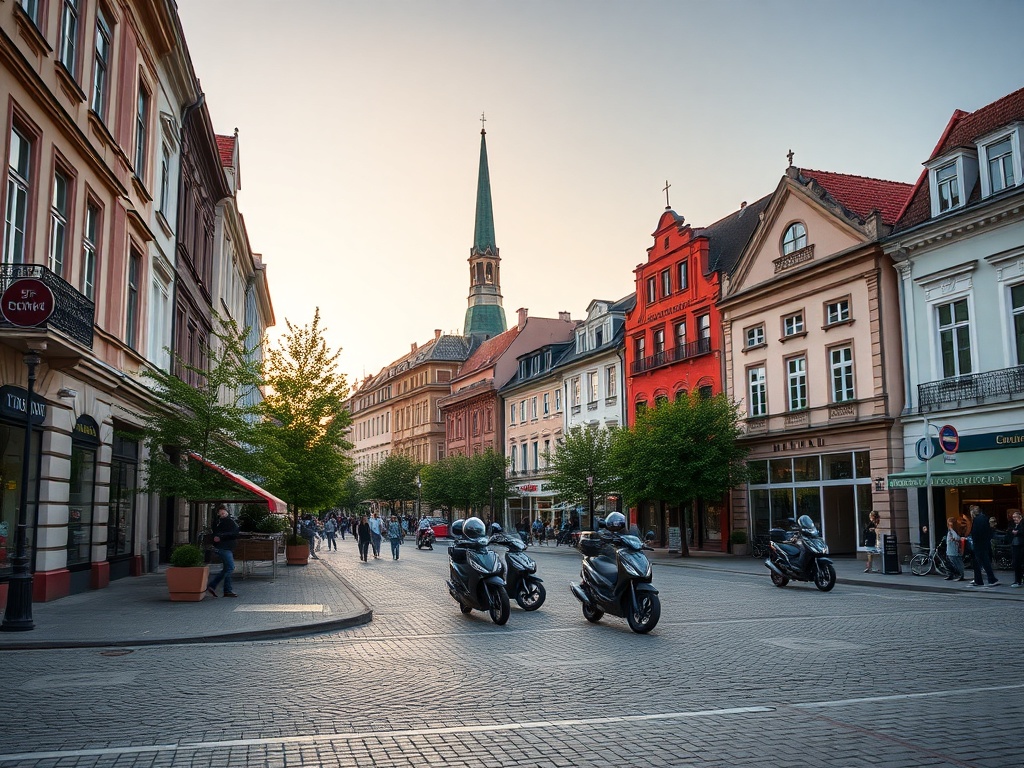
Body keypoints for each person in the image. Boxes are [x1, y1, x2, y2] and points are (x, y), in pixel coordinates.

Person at [206, 505, 239, 598]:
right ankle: (227, 590)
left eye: (223, 513)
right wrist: (220, 536)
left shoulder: (221, 522)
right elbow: (234, 533)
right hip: (224, 548)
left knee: (226, 569)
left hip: (224, 547)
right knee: (230, 568)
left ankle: (213, 586)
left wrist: (219, 537)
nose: (222, 514)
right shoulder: (226, 521)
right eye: (221, 513)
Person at [967, 505, 999, 587]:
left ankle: (980, 580)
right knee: (985, 562)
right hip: (984, 543)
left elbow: (975, 532)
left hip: (978, 544)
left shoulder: (977, 520)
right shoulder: (984, 518)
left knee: (978, 562)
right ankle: (990, 579)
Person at [944, 516, 966, 581]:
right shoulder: (950, 531)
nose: (949, 525)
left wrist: (951, 529)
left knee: (957, 563)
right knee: (950, 563)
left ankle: (960, 575)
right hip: (950, 550)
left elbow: (957, 537)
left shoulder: (953, 531)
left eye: (950, 524)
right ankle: (951, 574)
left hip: (954, 550)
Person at [1008, 509, 1023, 588]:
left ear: (1019, 517)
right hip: (1015, 545)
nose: (1014, 519)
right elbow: (1009, 531)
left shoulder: (1022, 524)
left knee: (1018, 563)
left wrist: (1017, 532)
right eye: (1013, 518)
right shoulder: (1014, 524)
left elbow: (1021, 531)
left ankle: (1018, 581)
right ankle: (1018, 580)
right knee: (1016, 563)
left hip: (1020, 546)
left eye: (1015, 517)